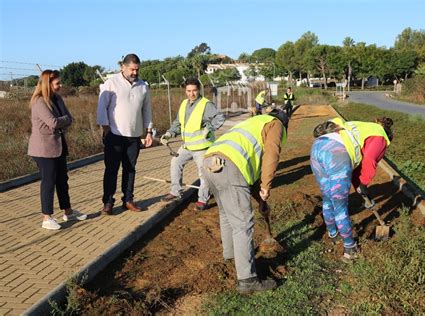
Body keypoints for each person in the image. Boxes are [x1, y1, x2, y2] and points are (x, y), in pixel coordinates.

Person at [202, 109, 289, 294]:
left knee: (226, 213)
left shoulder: (251, 124)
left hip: (210, 162)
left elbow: (251, 175)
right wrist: (267, 185)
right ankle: (247, 280)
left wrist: (261, 200)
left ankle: (231, 257)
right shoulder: (275, 124)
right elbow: (271, 154)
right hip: (230, 165)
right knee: (243, 224)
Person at [310, 116, 393, 262]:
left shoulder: (363, 126)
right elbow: (368, 160)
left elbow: (357, 168)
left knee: (328, 197)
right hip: (337, 154)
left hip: (317, 148)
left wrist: (359, 186)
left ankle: (333, 234)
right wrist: (363, 185)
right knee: (340, 206)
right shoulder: (381, 137)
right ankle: (350, 248)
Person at [28, 70, 87, 230]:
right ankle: (46, 218)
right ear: (48, 84)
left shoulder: (56, 99)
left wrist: (63, 119)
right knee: (48, 182)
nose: (60, 86)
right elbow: (54, 122)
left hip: (58, 146)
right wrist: (64, 120)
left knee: (62, 180)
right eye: (57, 83)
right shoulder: (39, 102)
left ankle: (68, 211)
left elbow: (69, 118)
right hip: (43, 149)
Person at [97, 53, 153, 215]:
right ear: (123, 67)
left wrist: (148, 131)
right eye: (132, 69)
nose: (135, 73)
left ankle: (128, 200)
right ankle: (108, 202)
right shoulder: (111, 83)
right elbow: (102, 108)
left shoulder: (143, 86)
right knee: (111, 170)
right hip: (114, 135)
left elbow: (147, 110)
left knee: (130, 169)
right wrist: (106, 129)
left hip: (134, 136)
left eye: (137, 70)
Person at [160, 78, 225, 211]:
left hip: (202, 147)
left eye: (194, 90)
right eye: (189, 91)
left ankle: (202, 200)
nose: (191, 94)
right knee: (175, 162)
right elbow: (178, 123)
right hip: (187, 146)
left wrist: (210, 128)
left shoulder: (206, 104)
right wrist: (169, 134)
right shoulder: (184, 104)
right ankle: (175, 191)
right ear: (185, 91)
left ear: (198, 90)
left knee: (204, 174)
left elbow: (220, 117)